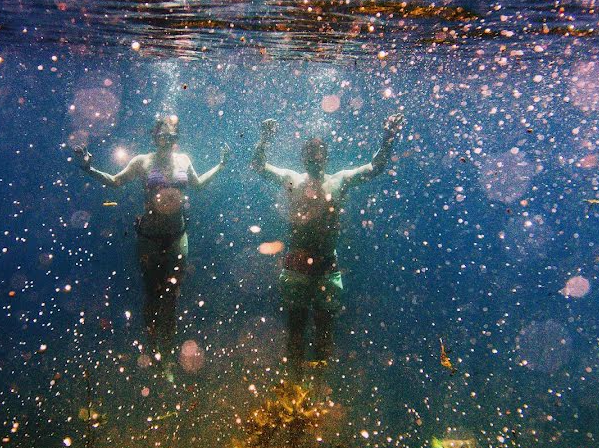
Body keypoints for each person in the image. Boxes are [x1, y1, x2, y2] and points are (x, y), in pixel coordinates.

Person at [251, 113, 405, 384]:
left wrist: (388, 138)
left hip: (326, 268)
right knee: (296, 329)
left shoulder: (339, 180)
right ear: (303, 157)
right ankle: (295, 384)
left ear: (326, 157)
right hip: (298, 266)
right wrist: (263, 140)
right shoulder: (292, 179)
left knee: (324, 330)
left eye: (318, 152)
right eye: (309, 152)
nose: (314, 156)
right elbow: (259, 166)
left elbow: (374, 167)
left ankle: (317, 386)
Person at [74, 115, 229, 379]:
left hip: (178, 235)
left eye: (172, 137)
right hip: (148, 238)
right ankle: (154, 352)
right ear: (154, 137)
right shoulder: (142, 161)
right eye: (162, 136)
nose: (167, 141)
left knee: (170, 298)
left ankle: (165, 359)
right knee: (151, 296)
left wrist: (222, 165)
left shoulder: (184, 160)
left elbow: (198, 184)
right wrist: (89, 169)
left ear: (177, 138)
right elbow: (115, 181)